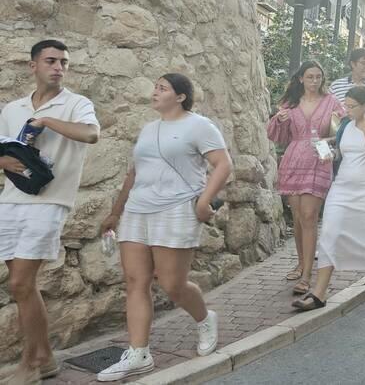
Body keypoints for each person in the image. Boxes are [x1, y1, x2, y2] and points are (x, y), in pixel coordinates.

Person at [97, 74, 231, 381]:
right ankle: (139, 353)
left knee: (172, 285)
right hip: (137, 210)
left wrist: (203, 203)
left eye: (162, 88)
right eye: (155, 87)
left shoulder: (199, 126)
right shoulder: (148, 129)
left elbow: (223, 165)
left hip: (177, 209)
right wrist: (115, 212)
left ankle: (204, 318)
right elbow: (134, 174)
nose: (154, 92)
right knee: (135, 281)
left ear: (181, 96)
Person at [0, 40, 99, 384]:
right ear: (33, 66)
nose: (58, 67)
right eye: (51, 61)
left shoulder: (76, 104)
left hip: (49, 203)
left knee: (20, 281)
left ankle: (29, 366)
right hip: (11, 201)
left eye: (64, 62)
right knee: (24, 287)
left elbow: (91, 134)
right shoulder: (12, 107)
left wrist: (47, 121)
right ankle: (47, 359)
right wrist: (8, 160)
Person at [293, 86, 365, 311]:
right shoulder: (346, 125)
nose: (347, 110)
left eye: (352, 106)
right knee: (330, 232)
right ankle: (319, 293)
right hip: (343, 188)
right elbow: (341, 153)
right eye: (346, 105)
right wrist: (326, 153)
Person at [268, 61, 345, 296]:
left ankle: (306, 275)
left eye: (318, 77)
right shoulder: (290, 103)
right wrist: (279, 121)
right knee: (299, 217)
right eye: (310, 77)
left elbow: (342, 130)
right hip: (293, 160)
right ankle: (301, 263)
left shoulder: (331, 102)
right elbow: (277, 137)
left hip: (320, 159)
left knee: (310, 216)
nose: (314, 81)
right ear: (301, 78)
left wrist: (330, 140)